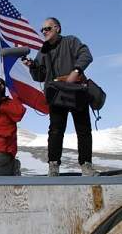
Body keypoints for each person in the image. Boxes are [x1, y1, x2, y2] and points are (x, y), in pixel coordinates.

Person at [22, 17, 98, 176]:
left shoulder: (71, 41)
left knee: (83, 130)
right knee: (56, 130)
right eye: (42, 29)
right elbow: (40, 76)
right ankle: (53, 167)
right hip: (56, 94)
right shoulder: (43, 51)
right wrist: (33, 66)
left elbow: (86, 55)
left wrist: (75, 71)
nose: (44, 32)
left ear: (57, 28)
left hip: (76, 91)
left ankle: (86, 166)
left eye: (47, 28)